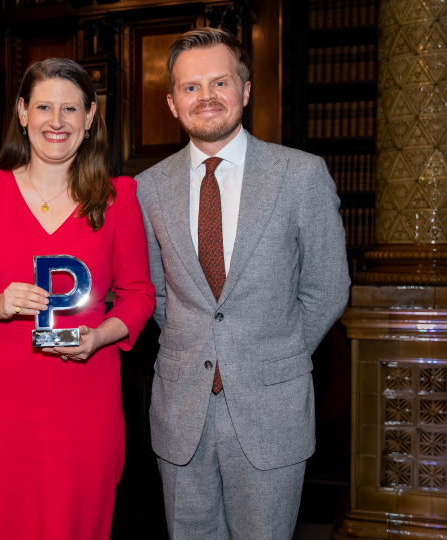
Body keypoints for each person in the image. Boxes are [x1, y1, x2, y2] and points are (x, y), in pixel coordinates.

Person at [135, 28, 350, 539]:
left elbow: (327, 288)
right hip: (180, 405)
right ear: (172, 103)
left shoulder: (300, 175)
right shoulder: (146, 189)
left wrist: (275, 354)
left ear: (245, 90)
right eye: (190, 87)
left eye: (220, 82)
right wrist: (202, 344)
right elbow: (155, 292)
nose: (205, 97)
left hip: (271, 406)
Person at [0, 58, 156, 540]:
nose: (57, 121)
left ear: (90, 117)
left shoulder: (117, 198)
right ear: (22, 112)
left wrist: (98, 337)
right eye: (44, 107)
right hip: (0, 404)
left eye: (70, 109)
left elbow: (139, 296)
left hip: (84, 403)